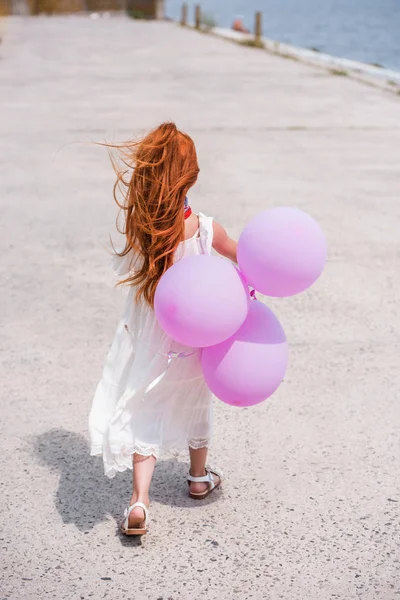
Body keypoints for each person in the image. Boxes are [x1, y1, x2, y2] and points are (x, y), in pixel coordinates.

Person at [89, 122, 238, 535]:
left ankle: (139, 501)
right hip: (200, 337)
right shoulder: (206, 228)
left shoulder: (145, 232)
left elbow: (132, 274)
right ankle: (197, 477)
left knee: (147, 409)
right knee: (197, 399)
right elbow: (246, 258)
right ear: (190, 177)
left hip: (156, 338)